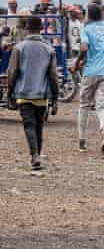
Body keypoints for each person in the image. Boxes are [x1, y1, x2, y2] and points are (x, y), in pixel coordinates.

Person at [5, 15, 59, 174]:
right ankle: (37, 155)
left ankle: (34, 155)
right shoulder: (49, 49)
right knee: (39, 126)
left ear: (27, 28)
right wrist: (55, 98)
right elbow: (53, 76)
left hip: (23, 93)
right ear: (41, 29)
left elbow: (12, 72)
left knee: (29, 125)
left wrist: (10, 93)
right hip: (42, 95)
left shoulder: (19, 48)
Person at [75, 3, 104, 153]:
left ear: (89, 15)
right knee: (101, 105)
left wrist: (78, 62)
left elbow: (83, 48)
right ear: (102, 15)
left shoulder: (86, 30)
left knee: (84, 105)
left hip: (90, 72)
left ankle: (82, 141)